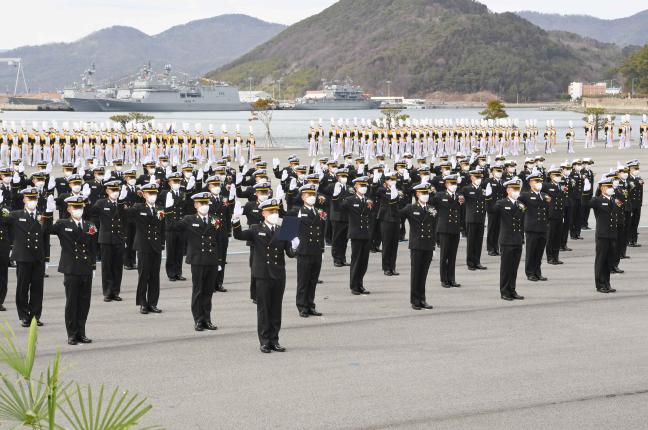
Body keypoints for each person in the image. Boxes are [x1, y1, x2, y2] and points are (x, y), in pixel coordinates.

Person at [232, 199, 296, 353]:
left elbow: (290, 253)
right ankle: (265, 341)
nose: (274, 214)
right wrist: (235, 221)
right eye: (271, 212)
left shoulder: (284, 229)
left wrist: (296, 245)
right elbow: (239, 235)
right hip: (262, 274)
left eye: (276, 211)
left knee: (276, 308)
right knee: (264, 309)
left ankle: (275, 340)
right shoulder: (256, 229)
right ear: (263, 213)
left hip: (279, 274)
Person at [0, 187, 55, 326]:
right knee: (22, 288)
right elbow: (2, 221)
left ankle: (35, 315)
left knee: (37, 288)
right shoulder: (16, 215)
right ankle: (24, 315)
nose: (32, 201)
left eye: (34, 199)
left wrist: (49, 214)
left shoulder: (42, 216)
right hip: (23, 257)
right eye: (29, 198)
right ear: (24, 199)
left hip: (38, 257)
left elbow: (47, 232)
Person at [51, 196, 97, 345]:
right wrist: (46, 213)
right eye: (75, 207)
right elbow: (46, 230)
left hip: (85, 268)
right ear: (69, 209)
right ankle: (72, 334)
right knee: (72, 302)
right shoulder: (62, 224)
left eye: (81, 207)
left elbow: (92, 248)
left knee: (84, 302)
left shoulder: (90, 225)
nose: (78, 210)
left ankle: (81, 332)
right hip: (71, 269)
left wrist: (93, 266)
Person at [179, 192, 220, 331]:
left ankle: (207, 319)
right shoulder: (189, 219)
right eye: (202, 204)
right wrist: (168, 211)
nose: (204, 206)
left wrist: (219, 260)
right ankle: (198, 319)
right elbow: (173, 227)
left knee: (208, 292)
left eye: (206, 203)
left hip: (211, 260)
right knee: (198, 291)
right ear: (196, 205)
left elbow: (219, 241)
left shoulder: (215, 219)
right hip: (197, 260)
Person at [126, 184, 164, 314]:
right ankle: (143, 303)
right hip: (143, 246)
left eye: (154, 193)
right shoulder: (138, 207)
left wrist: (162, 243)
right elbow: (124, 214)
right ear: (144, 195)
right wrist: (121, 201)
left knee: (155, 276)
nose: (152, 196)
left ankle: (153, 303)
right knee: (143, 276)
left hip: (156, 246)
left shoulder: (159, 208)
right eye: (149, 193)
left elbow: (162, 228)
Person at [399, 184, 437, 310]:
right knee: (416, 274)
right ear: (417, 195)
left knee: (424, 274)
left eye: (427, 193)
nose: (426, 195)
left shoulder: (431, 208)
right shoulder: (410, 208)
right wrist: (395, 200)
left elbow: (434, 228)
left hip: (428, 245)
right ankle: (415, 300)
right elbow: (398, 215)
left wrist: (434, 245)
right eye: (423, 193)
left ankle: (422, 299)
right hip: (416, 245)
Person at [339, 176, 376, 295]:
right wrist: (336, 197)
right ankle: (354, 285)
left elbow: (371, 215)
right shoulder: (350, 200)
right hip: (355, 234)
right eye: (361, 185)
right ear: (355, 187)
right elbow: (339, 208)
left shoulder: (368, 200)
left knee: (364, 262)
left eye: (365, 186)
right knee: (356, 261)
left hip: (366, 234)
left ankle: (360, 284)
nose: (364, 188)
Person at [90, 180, 125, 301]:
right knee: (107, 267)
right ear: (107, 191)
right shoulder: (101, 203)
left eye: (117, 190)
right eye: (113, 190)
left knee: (117, 267)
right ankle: (107, 292)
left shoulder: (121, 204)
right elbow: (90, 213)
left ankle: (116, 292)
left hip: (119, 239)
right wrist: (85, 200)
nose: (115, 193)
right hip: (106, 239)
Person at [294, 184, 325, 317]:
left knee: (313, 280)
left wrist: (322, 249)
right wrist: (294, 248)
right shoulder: (297, 211)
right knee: (303, 281)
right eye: (308, 195)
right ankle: (302, 306)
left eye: (313, 195)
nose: (312, 197)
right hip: (304, 251)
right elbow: (288, 233)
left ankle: (310, 304)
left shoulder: (318, 211)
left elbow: (322, 232)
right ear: (302, 197)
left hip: (316, 251)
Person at [492, 178, 525, 301]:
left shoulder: (520, 204)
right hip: (506, 240)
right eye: (514, 189)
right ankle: (504, 291)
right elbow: (492, 212)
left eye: (518, 189)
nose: (516, 191)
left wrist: (522, 238)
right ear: (508, 190)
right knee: (506, 268)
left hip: (517, 239)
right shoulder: (501, 203)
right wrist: (489, 198)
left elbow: (521, 223)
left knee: (514, 267)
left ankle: (512, 289)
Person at [590, 178, 621, 293]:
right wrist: (587, 192)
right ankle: (600, 284)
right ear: (602, 188)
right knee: (601, 260)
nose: (610, 189)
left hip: (612, 235)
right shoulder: (597, 200)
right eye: (608, 187)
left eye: (611, 187)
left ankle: (607, 283)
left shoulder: (613, 200)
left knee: (608, 261)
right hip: (602, 235)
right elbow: (585, 204)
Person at [433, 174, 464, 288]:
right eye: (451, 183)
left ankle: (452, 278)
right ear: (446, 184)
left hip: (455, 229)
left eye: (455, 183)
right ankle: (444, 279)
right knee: (444, 255)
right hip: (444, 229)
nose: (454, 186)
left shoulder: (459, 196)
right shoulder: (440, 195)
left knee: (452, 256)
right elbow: (431, 203)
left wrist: (461, 228)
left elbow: (461, 212)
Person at [518, 173, 549, 282]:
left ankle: (537, 272)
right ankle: (530, 273)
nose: (539, 184)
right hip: (531, 227)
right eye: (537, 182)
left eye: (540, 181)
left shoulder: (544, 195)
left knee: (539, 252)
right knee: (531, 252)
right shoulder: (525, 195)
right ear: (531, 183)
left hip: (542, 227)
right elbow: (517, 204)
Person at [162, 172, 188, 282]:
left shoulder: (183, 193)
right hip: (171, 226)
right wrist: (165, 207)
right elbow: (157, 204)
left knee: (179, 251)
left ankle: (178, 272)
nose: (177, 183)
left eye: (178, 181)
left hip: (181, 226)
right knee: (171, 251)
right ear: (169, 183)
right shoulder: (165, 193)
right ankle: (171, 273)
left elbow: (186, 208)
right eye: (174, 181)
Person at [461, 169, 487, 270]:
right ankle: (470, 263)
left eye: (480, 178)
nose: (479, 179)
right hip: (471, 219)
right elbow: (459, 195)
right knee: (471, 242)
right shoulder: (467, 189)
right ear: (472, 178)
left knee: (478, 242)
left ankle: (477, 261)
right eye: (477, 177)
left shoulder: (482, 190)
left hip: (480, 219)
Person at [329, 168, 352, 267]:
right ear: (337, 177)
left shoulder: (350, 188)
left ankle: (343, 258)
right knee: (337, 239)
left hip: (347, 217)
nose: (344, 178)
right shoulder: (333, 186)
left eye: (345, 176)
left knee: (344, 240)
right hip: (337, 217)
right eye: (342, 176)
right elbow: (323, 190)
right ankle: (336, 259)